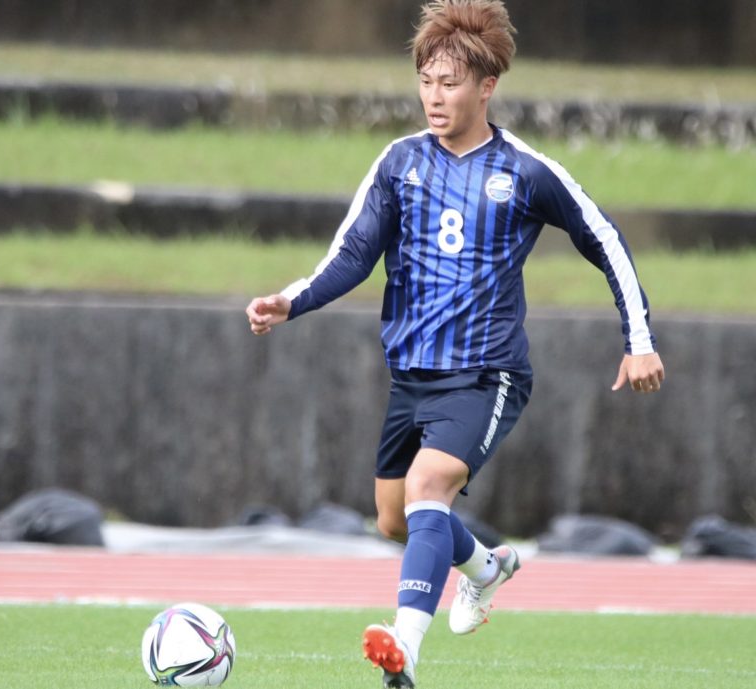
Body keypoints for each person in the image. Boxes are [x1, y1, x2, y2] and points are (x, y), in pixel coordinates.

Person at [245, 0, 666, 687]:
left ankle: (405, 648)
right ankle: (485, 567)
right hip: (411, 375)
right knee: (395, 518)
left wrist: (638, 338)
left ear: (487, 86)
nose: (434, 96)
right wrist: (291, 301)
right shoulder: (400, 162)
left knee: (427, 486)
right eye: (426, 81)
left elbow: (606, 240)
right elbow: (352, 253)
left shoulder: (525, 171)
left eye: (450, 82)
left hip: (486, 373)